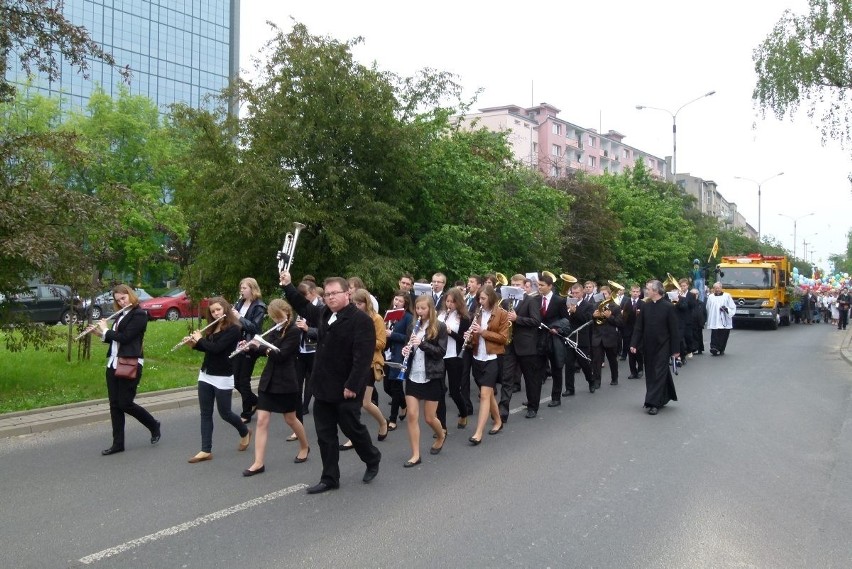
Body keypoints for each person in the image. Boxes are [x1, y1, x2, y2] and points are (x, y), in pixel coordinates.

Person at [280, 271, 381, 494]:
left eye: (335, 293)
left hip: (346, 388)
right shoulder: (325, 314)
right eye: (327, 294)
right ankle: (329, 478)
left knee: (352, 429)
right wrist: (288, 286)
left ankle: (372, 457)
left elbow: (362, 358)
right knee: (325, 436)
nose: (330, 298)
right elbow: (304, 307)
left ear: (347, 294)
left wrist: (352, 386)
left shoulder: (360, 320)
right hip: (323, 386)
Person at [239, 299, 309, 476]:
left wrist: (262, 347)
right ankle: (258, 463)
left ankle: (304, 446)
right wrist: (249, 348)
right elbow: (263, 349)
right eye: (274, 317)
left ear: (287, 313)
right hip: (269, 380)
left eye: (280, 317)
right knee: (262, 420)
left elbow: (282, 354)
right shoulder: (274, 328)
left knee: (291, 419)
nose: (277, 320)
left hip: (286, 381)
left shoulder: (293, 330)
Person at [90, 284, 161, 456]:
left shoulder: (139, 314)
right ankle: (118, 444)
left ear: (130, 295)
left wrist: (106, 329)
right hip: (114, 362)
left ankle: (153, 424)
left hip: (130, 362)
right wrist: (100, 334)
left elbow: (127, 338)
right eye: (118, 300)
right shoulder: (122, 314)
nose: (121, 302)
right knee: (114, 405)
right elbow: (116, 340)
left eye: (124, 298)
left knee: (125, 403)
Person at [183, 297, 251, 463]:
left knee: (225, 413)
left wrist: (200, 340)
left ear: (225, 309)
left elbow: (218, 349)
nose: (215, 313)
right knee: (205, 413)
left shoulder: (234, 329)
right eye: (212, 311)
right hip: (206, 374)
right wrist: (194, 344)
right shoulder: (213, 326)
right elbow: (208, 349)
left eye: (218, 310)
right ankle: (206, 450)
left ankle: (245, 432)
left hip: (223, 376)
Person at [339, 289, 390, 450]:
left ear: (366, 303)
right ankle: (353, 436)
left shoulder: (376, 318)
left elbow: (381, 343)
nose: (356, 306)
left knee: (365, 403)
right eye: (354, 304)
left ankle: (383, 422)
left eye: (359, 304)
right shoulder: (351, 318)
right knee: (351, 403)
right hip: (353, 363)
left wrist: (362, 342)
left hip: (370, 363)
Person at [401, 295, 448, 466]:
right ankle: (415, 454)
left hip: (432, 375)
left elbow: (440, 352)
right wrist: (406, 351)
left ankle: (441, 434)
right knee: (412, 415)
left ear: (431, 309)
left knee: (429, 418)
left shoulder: (439, 327)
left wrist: (422, 344)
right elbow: (409, 347)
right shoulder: (412, 326)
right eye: (417, 309)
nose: (419, 312)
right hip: (413, 374)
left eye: (423, 308)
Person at [465, 284, 509, 444]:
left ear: (491, 298)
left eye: (483, 298)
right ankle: (498, 421)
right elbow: (474, 336)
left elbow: (503, 338)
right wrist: (469, 337)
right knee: (488, 394)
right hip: (478, 357)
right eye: (479, 299)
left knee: (484, 395)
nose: (480, 301)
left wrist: (483, 332)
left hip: (493, 358)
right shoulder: (477, 313)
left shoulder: (501, 314)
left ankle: (478, 432)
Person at [629, 280, 679, 415]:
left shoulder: (669, 307)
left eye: (649, 289)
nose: (646, 291)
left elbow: (674, 330)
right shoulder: (645, 306)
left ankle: (653, 403)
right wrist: (634, 343)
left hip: (664, 345)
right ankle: (663, 396)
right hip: (648, 345)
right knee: (651, 373)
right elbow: (639, 327)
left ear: (656, 291)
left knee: (658, 372)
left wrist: (676, 350)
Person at [499, 274, 544, 419]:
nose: (515, 287)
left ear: (525, 286)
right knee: (507, 378)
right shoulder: (506, 301)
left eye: (518, 285)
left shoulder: (530, 301)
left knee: (530, 378)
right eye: (513, 285)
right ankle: (503, 410)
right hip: (510, 345)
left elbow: (536, 321)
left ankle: (533, 406)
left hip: (526, 345)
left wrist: (518, 318)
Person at [232, 277, 267, 424]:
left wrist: (238, 316)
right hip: (237, 344)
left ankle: (247, 412)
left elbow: (254, 328)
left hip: (250, 346)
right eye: (241, 288)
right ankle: (256, 402)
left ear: (252, 289)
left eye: (244, 288)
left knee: (244, 380)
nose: (241, 291)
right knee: (235, 381)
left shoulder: (259, 306)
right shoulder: (240, 303)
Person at [438, 287, 472, 428]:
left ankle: (464, 413)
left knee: (454, 391)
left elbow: (463, 341)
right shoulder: (440, 315)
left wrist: (450, 332)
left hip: (454, 356)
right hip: (440, 355)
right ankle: (441, 426)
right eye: (447, 301)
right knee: (439, 392)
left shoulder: (463, 318)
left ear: (458, 303)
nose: (449, 304)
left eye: (452, 302)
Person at [384, 291, 413, 430]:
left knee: (396, 387)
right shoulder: (389, 315)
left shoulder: (408, 317)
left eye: (400, 301)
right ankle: (403, 403)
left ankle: (392, 419)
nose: (397, 302)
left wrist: (392, 334)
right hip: (387, 354)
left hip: (399, 355)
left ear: (405, 304)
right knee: (386, 387)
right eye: (396, 299)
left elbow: (408, 339)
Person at [590, 284, 622, 387]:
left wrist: (610, 317)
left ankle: (614, 378)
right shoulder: (595, 306)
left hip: (610, 337)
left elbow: (620, 323)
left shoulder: (615, 307)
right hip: (598, 337)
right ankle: (596, 381)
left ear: (609, 295)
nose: (603, 296)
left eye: (605, 294)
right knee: (596, 361)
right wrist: (593, 316)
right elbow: (590, 321)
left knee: (612, 359)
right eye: (601, 294)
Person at [620, 284, 644, 379]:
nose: (635, 293)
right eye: (633, 291)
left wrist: (639, 314)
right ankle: (633, 371)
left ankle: (640, 369)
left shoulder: (642, 303)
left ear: (639, 293)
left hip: (638, 331)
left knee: (638, 351)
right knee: (630, 352)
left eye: (637, 292)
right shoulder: (626, 302)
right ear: (630, 292)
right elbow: (623, 317)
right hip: (628, 330)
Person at [705, 282, 737, 356]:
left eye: (718, 288)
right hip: (714, 319)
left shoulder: (727, 296)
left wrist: (726, 309)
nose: (717, 289)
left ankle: (721, 348)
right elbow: (708, 307)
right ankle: (714, 348)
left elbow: (732, 307)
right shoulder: (711, 297)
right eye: (715, 288)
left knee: (723, 335)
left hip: (724, 319)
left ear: (721, 288)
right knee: (714, 334)